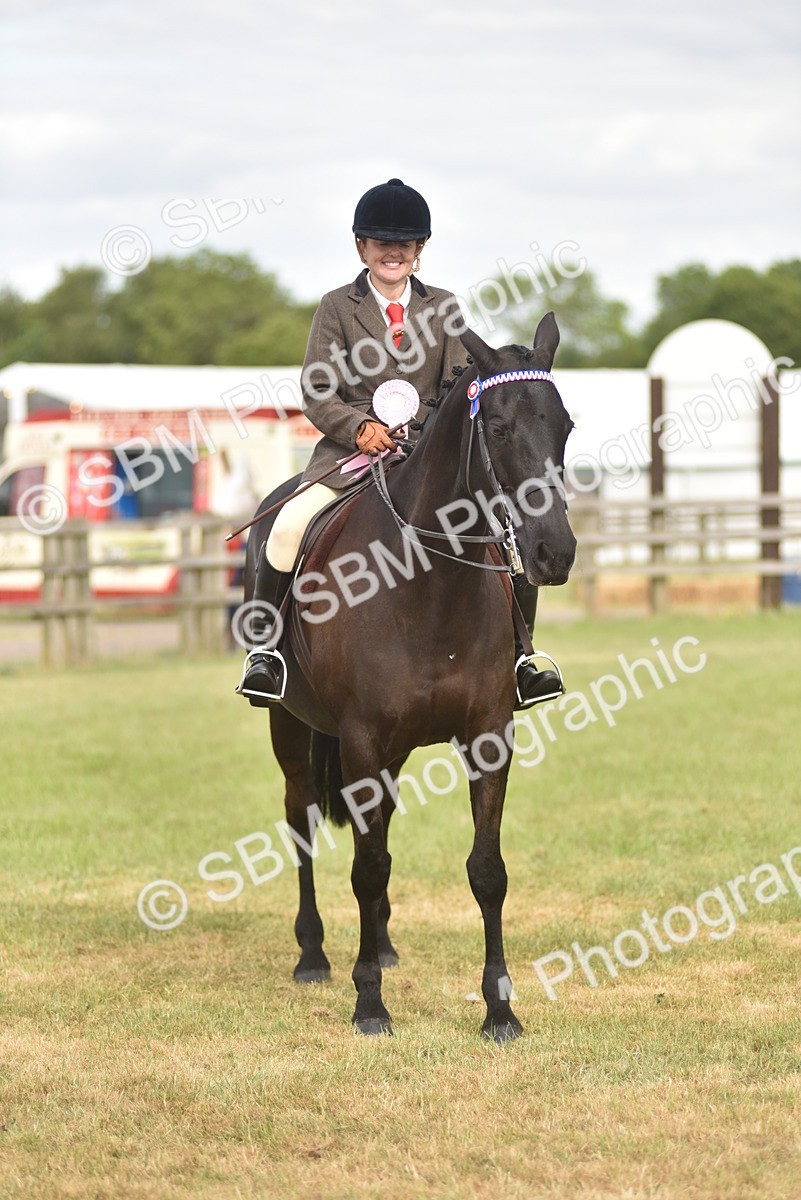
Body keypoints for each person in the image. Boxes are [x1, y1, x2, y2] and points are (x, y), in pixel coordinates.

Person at [237, 178, 563, 708]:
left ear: (419, 251)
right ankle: (266, 653)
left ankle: (522, 658)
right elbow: (317, 389)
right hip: (349, 458)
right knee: (288, 526)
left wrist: (434, 430)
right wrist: (358, 428)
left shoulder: (445, 307)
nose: (393, 252)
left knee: (506, 535)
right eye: (381, 242)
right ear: (361, 246)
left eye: (404, 244)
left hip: (428, 459)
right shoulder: (336, 308)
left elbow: (461, 384)